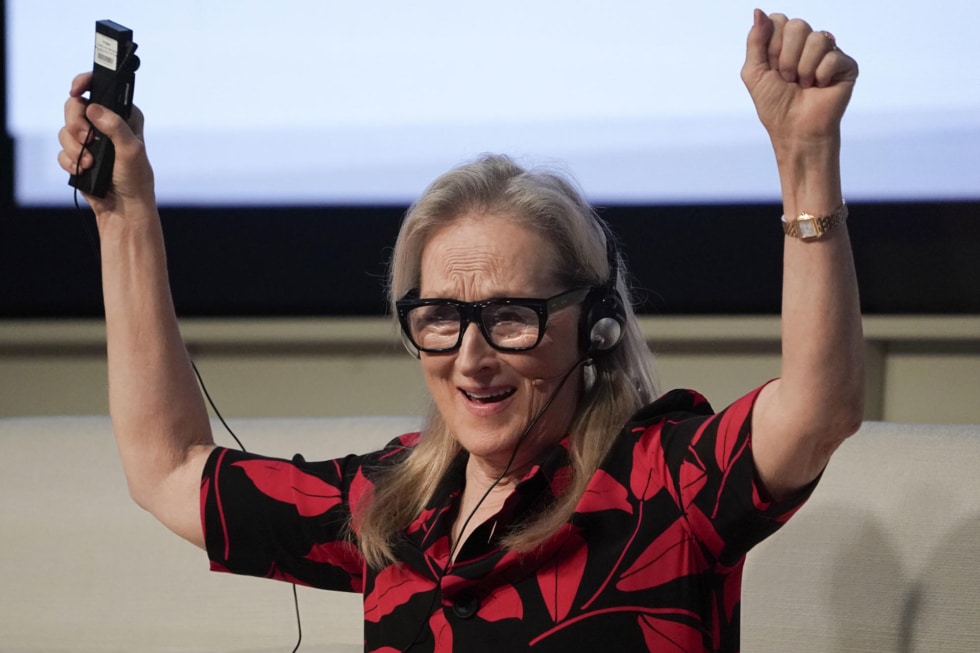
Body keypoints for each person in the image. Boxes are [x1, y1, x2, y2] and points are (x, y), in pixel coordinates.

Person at [57, 9, 863, 652]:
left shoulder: (665, 479)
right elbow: (166, 468)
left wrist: (806, 157)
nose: (471, 358)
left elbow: (820, 407)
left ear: (597, 325)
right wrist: (123, 214)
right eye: (440, 317)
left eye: (509, 316)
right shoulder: (394, 506)